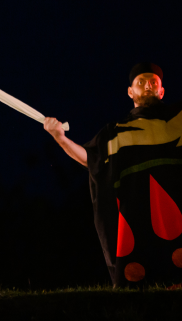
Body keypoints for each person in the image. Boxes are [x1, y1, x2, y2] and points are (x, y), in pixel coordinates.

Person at [43, 62, 172, 281]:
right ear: (130, 92)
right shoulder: (116, 133)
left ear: (162, 91)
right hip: (138, 219)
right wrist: (59, 137)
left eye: (153, 82)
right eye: (141, 82)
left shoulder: (181, 122)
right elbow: (90, 158)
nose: (147, 86)